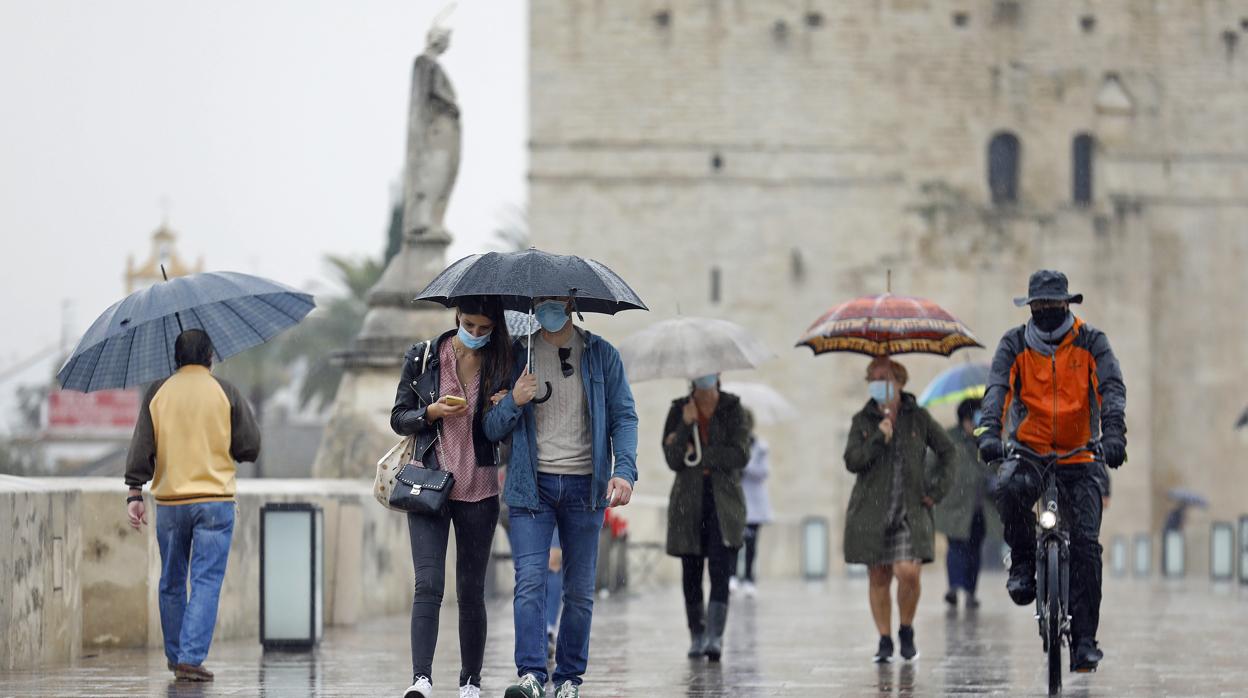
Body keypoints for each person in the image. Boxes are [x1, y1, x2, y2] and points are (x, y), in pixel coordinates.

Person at [484, 296, 639, 698]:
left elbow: (624, 416)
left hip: (585, 488)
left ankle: (569, 678)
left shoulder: (602, 355)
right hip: (530, 488)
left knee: (580, 590)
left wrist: (624, 470)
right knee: (530, 582)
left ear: (570, 303)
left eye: (553, 302)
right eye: (540, 302)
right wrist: (516, 399)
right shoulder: (517, 356)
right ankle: (532, 675)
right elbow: (490, 428)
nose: (546, 308)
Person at [978, 269, 1127, 672]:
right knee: (1008, 487)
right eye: (1038, 307)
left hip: (1080, 454)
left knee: (1086, 546)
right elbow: (997, 392)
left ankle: (1083, 640)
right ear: (1030, 308)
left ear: (1066, 305)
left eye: (1052, 306)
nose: (1045, 312)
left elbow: (1111, 388)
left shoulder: (1092, 342)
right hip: (1031, 451)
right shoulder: (1014, 345)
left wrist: (1114, 435)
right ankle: (1023, 561)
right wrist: (989, 433)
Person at [390, 295, 513, 698]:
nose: (476, 334)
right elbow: (399, 417)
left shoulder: (503, 364)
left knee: (471, 590)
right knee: (428, 583)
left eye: (484, 328)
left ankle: (470, 682)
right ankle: (421, 679)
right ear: (457, 316)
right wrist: (431, 413)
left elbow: (507, 431)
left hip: (479, 490)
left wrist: (505, 405)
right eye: (470, 325)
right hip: (429, 484)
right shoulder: (424, 358)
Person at [123, 329, 261, 682]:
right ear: (210, 357)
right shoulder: (224, 391)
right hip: (214, 502)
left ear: (177, 358)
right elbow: (250, 447)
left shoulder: (158, 392)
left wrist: (135, 494)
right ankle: (190, 657)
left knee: (171, 580)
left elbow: (141, 449)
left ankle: (176, 655)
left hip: (169, 502)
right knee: (205, 581)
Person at [843, 357, 954, 663]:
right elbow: (852, 460)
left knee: (908, 572)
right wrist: (879, 437)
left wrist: (936, 490)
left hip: (909, 510)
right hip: (872, 512)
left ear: (900, 381)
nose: (878, 383)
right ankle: (884, 639)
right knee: (878, 576)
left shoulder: (918, 418)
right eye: (873, 378)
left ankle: (905, 628)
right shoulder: (862, 420)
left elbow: (948, 452)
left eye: (884, 377)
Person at [662, 374, 750, 662]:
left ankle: (715, 636)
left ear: (719, 376)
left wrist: (699, 455)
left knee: (721, 567)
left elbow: (740, 455)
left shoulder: (733, 408)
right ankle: (697, 635)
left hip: (723, 502)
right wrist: (686, 424)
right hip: (689, 501)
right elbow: (673, 459)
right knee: (691, 569)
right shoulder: (679, 409)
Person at [933, 398, 996, 609]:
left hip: (980, 508)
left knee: (974, 549)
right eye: (972, 420)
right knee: (956, 547)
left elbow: (996, 466)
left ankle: (970, 590)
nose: (974, 425)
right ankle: (954, 586)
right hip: (955, 506)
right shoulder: (949, 439)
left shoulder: (985, 441)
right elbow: (931, 465)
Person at [739, 410, 772, 598]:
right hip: (739, 500)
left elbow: (763, 472)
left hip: (755, 502)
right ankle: (734, 576)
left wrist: (746, 465)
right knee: (735, 543)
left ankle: (750, 578)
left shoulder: (760, 447)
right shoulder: (735, 444)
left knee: (751, 544)